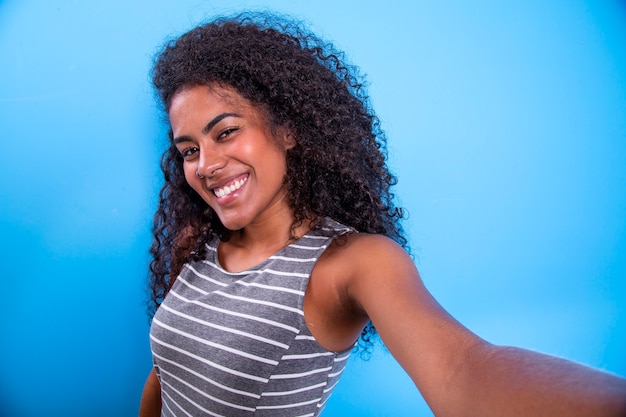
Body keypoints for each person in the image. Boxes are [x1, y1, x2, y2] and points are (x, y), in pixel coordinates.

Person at [139, 12, 626, 417]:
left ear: (288, 130)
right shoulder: (197, 241)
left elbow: (461, 370)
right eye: (188, 150)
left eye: (225, 132)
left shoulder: (350, 264)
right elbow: (168, 373)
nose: (205, 165)